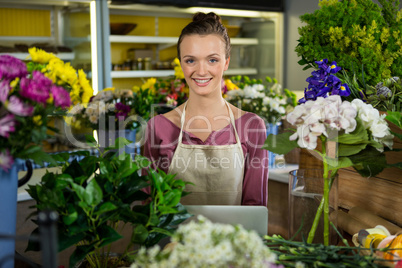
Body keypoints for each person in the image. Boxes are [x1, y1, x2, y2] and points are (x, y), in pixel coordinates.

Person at [143, 12, 268, 206]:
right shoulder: (158, 128)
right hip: (174, 238)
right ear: (181, 64)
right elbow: (148, 209)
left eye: (212, 60)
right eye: (190, 60)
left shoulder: (251, 126)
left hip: (234, 236)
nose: (201, 71)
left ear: (226, 62)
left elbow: (255, 208)